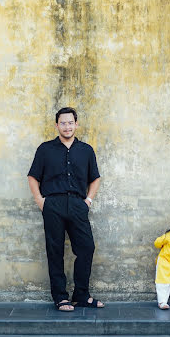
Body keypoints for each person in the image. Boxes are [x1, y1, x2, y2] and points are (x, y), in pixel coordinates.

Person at [27, 107, 104, 312]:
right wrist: (41, 202)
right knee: (55, 251)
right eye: (63, 123)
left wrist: (87, 201)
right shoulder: (45, 149)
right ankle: (60, 297)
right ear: (56, 125)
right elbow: (33, 177)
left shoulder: (86, 150)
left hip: (78, 205)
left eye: (71, 123)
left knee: (87, 248)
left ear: (76, 124)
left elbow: (95, 178)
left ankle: (81, 295)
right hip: (53, 205)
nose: (67, 126)